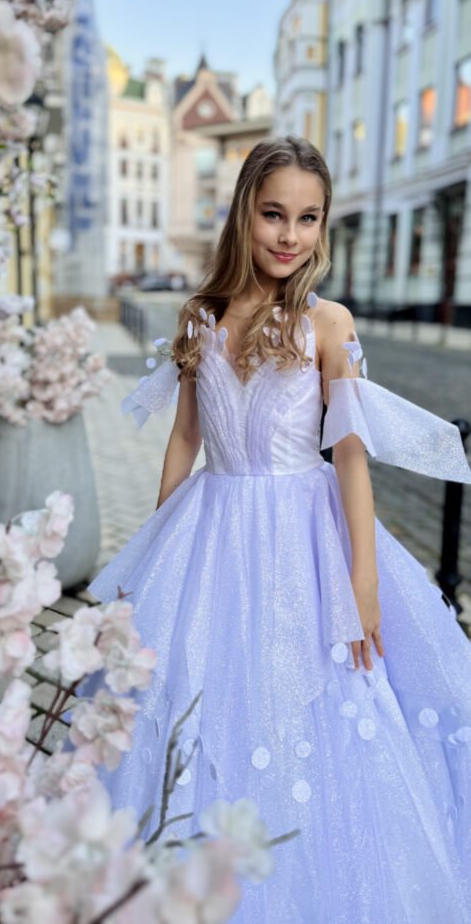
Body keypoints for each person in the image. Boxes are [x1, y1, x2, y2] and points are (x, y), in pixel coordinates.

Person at [83, 137, 471, 922]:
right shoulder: (200, 318)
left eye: (306, 218)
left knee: (313, 696)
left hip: (306, 536)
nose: (288, 235)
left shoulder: (327, 323)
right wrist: (155, 551)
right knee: (192, 688)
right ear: (242, 214)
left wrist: (361, 583)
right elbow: (185, 439)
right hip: (212, 526)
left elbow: (352, 457)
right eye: (272, 215)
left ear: (322, 227)